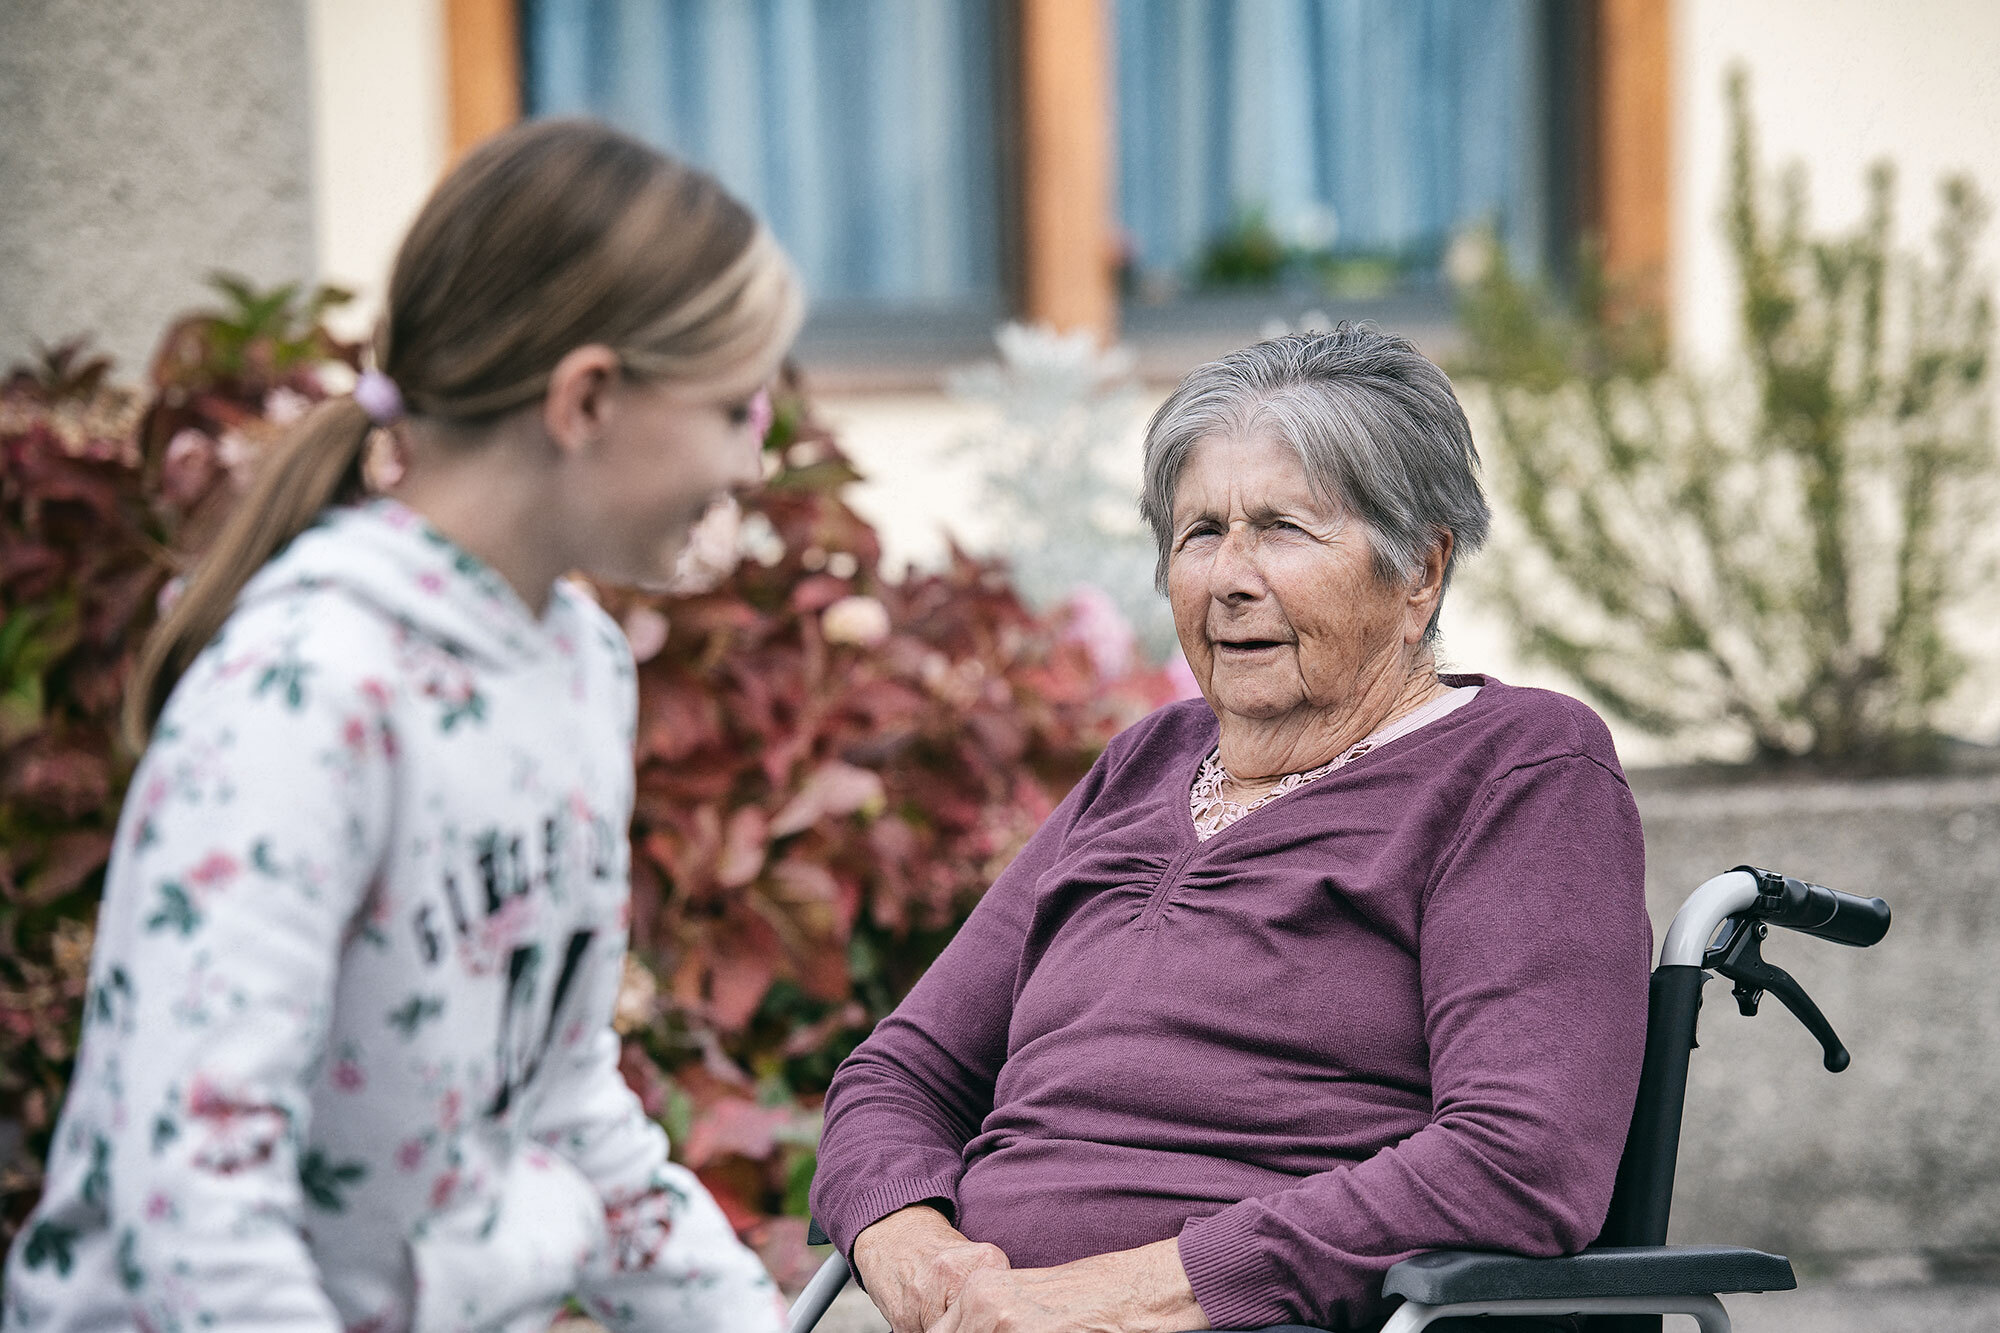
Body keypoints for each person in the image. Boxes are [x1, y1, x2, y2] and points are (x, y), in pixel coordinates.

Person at [3, 120, 804, 1333]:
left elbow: (560, 1101)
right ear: (587, 398)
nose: (754, 457)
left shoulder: (581, 662)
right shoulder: (307, 692)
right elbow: (199, 1209)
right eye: (737, 404)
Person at [809, 326, 1654, 1333]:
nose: (1227, 577)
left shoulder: (1516, 769)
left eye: (1283, 529)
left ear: (1419, 571)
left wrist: (1123, 1296)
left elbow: (1520, 1158)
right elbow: (900, 1072)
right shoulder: (1147, 762)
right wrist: (920, 1254)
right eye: (1198, 531)